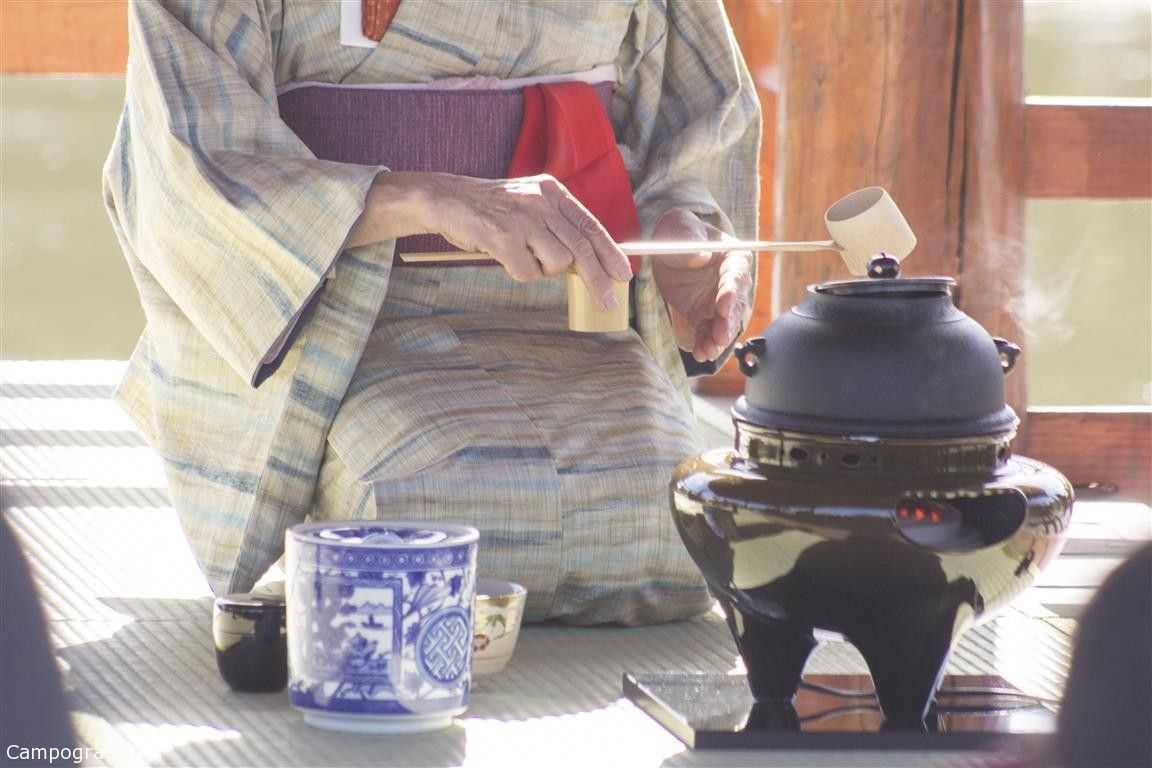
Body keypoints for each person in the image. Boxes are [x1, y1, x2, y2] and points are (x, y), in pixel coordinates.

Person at [103, 0, 760, 625]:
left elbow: (696, 124)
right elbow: (191, 159)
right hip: (353, 325)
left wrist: (681, 237)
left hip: (565, 318)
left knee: (676, 526)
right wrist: (427, 198)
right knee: (420, 517)